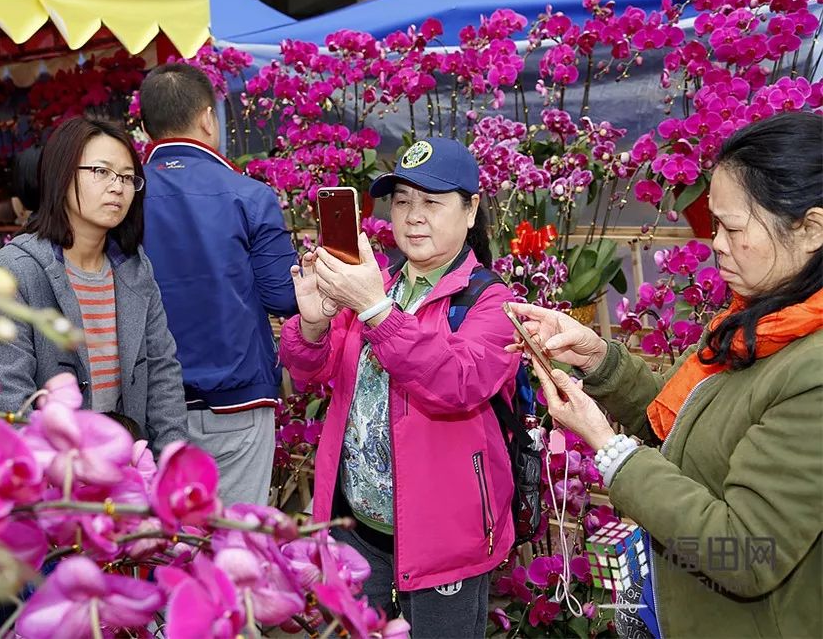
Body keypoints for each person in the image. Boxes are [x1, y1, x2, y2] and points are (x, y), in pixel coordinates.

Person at [509, 111, 822, 638]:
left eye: (733, 227)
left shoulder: (810, 372)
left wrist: (608, 449)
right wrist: (595, 358)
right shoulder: (757, 323)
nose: (717, 244)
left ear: (810, 228)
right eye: (712, 225)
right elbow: (685, 427)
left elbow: (745, 552)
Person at [279, 138, 520, 638]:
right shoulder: (378, 281)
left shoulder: (492, 303)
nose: (413, 217)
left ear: (471, 210)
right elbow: (310, 373)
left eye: (432, 203)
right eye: (403, 201)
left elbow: (458, 381)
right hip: (357, 526)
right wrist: (312, 324)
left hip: (444, 542)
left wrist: (375, 311)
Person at [0, 116, 187, 452]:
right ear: (62, 174)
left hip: (129, 469)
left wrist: (172, 460)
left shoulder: (134, 268)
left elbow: (163, 373)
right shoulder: (12, 272)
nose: (117, 187)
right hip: (55, 477)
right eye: (101, 172)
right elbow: (8, 397)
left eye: (128, 177)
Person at [138, 63, 299, 505]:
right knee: (235, 547)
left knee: (165, 550)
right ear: (208, 117)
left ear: (145, 125)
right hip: (236, 401)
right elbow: (283, 297)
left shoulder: (123, 198)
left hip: (150, 404)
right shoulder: (250, 195)